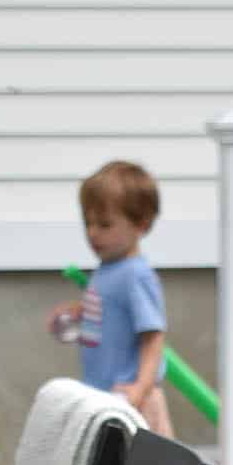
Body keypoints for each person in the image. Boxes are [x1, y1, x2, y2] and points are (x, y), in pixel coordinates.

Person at [49, 161, 174, 437]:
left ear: (141, 224)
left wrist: (141, 388)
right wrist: (78, 313)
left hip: (130, 397)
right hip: (105, 394)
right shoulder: (108, 269)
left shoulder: (135, 275)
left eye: (104, 224)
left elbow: (153, 338)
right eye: (88, 223)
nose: (93, 233)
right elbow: (109, 312)